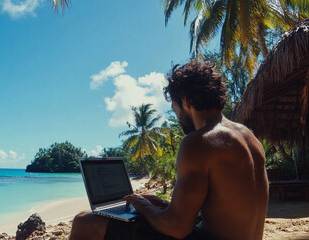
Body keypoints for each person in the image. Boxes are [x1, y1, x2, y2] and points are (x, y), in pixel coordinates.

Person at [69, 60, 268, 240]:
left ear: (185, 101)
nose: (177, 116)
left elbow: (176, 228)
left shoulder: (200, 142)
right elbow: (222, 210)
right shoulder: (249, 137)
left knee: (84, 221)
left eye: (175, 108)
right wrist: (163, 204)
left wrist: (144, 206)